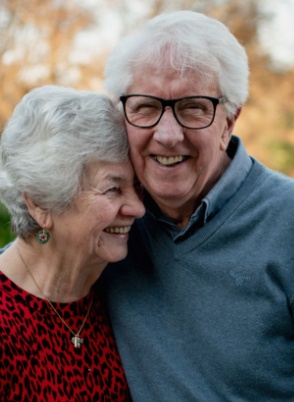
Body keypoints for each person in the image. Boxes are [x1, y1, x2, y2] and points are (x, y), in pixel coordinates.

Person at [101, 10, 294, 401]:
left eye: (193, 107)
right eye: (146, 106)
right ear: (123, 116)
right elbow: (33, 267)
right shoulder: (110, 218)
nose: (168, 136)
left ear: (229, 121)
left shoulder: (287, 222)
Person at [0, 85, 145, 401]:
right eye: (113, 189)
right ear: (41, 203)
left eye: (137, 187)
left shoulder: (118, 295)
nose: (138, 208)